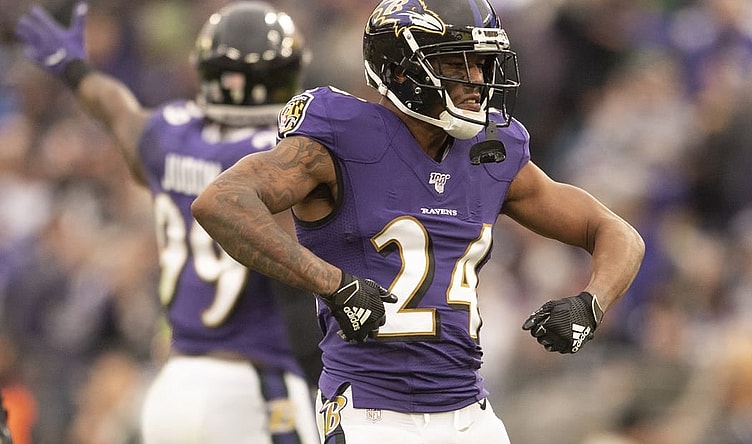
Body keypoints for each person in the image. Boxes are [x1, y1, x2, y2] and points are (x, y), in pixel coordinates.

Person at [192, 0, 645, 442]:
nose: (476, 81)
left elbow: (616, 233)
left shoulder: (492, 151)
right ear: (401, 70)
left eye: (482, 64)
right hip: (371, 412)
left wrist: (591, 302)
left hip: (471, 414)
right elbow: (221, 202)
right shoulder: (342, 135)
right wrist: (331, 283)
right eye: (457, 64)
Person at [15, 2, 322, 443]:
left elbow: (116, 109)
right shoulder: (281, 156)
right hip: (253, 382)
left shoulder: (170, 134)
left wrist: (73, 68)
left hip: (171, 387)